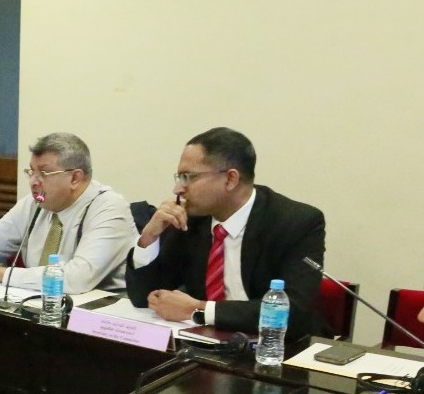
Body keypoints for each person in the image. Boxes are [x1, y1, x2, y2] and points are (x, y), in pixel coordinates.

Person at [126, 127, 326, 340]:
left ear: (230, 179)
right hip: (204, 343)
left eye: (188, 177)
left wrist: (199, 309)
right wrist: (149, 237)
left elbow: (293, 311)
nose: (178, 189)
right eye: (179, 177)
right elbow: (144, 298)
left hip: (277, 346)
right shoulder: (190, 219)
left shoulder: (296, 222)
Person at [0, 132, 137, 294]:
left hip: (98, 314)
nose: (33, 182)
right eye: (31, 172)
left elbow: (77, 279)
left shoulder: (109, 208)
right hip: (38, 305)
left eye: (44, 174)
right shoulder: (34, 203)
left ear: (75, 178)